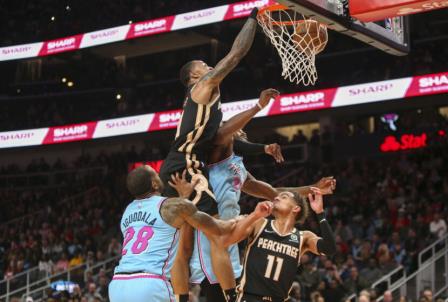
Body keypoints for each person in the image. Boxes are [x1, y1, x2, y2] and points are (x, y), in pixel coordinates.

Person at [186, 88, 335, 301]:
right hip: (213, 227)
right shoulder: (218, 151)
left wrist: (314, 188)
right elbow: (225, 134)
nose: (243, 131)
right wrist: (259, 110)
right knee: (215, 293)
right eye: (239, 129)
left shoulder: (239, 168)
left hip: (231, 231)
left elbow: (275, 193)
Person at [159, 7, 260, 302]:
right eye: (203, 64)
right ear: (195, 75)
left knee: (185, 243)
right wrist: (254, 17)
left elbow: (217, 135)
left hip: (181, 165)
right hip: (187, 166)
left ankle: (182, 298)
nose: (208, 66)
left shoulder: (203, 102)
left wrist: (243, 122)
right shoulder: (202, 87)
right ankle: (230, 295)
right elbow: (236, 54)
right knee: (218, 233)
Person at [108, 165, 262, 302]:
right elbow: (218, 228)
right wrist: (241, 219)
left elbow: (164, 223)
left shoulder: (127, 212)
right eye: (156, 174)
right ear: (154, 183)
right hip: (150, 283)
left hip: (117, 284)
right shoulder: (172, 206)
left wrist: (183, 198)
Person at [221, 188, 337, 302]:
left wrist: (320, 213)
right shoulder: (259, 223)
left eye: (284, 197)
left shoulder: (303, 237)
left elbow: (329, 248)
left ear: (296, 208)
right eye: (278, 196)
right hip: (249, 297)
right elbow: (227, 241)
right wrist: (255, 215)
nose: (276, 197)